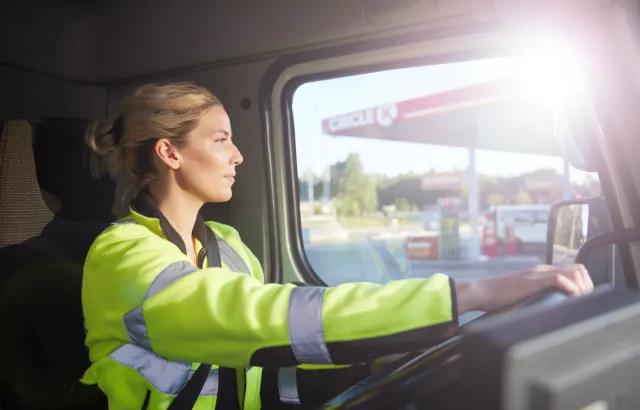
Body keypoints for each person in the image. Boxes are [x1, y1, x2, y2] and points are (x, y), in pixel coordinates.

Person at [80, 82, 594, 410]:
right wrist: (470, 294)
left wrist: (373, 362)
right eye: (220, 139)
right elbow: (259, 317)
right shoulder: (121, 255)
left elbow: (269, 358)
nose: (237, 155)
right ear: (169, 151)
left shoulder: (227, 244)